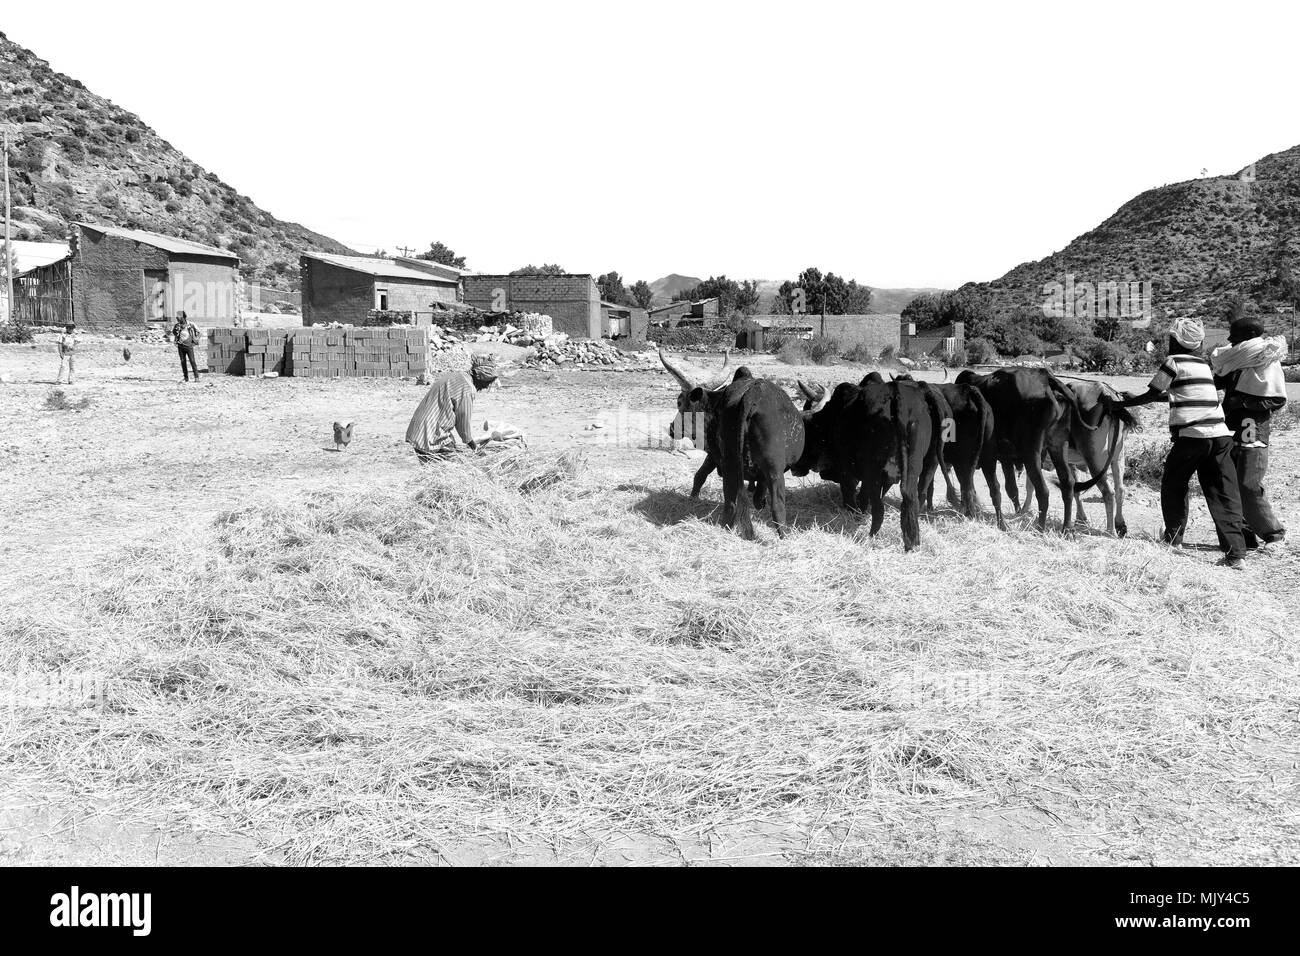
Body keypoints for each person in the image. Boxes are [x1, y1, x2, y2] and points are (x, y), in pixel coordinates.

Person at [1113, 316, 1250, 569]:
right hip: (1220, 436)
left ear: (1174, 341)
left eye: (1169, 338)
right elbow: (1183, 394)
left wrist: (1121, 404)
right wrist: (1147, 399)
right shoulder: (1203, 365)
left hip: (1192, 437)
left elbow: (1155, 391)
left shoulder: (1173, 362)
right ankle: (1236, 554)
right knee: (1223, 492)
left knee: (1174, 485)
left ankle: (1174, 539)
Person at [1210, 315, 1288, 548]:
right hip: (1229, 428)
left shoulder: (1268, 362)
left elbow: (1275, 399)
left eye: (1236, 335)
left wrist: (1243, 403)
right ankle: (1244, 536)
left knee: (1248, 483)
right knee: (1230, 483)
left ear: (1251, 336)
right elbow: (1216, 383)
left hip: (1253, 431)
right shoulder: (1235, 361)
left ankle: (1273, 533)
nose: (1230, 339)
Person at [405, 355, 499, 461]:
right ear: (479, 377)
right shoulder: (467, 388)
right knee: (459, 470)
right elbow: (463, 423)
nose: (486, 387)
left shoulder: (456, 376)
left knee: (435, 471)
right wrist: (475, 448)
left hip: (417, 431)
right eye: (487, 383)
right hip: (431, 436)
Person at [172, 311, 201, 382]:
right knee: (183, 361)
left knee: (192, 361)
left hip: (189, 346)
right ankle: (186, 377)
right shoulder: (177, 326)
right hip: (180, 346)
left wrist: (196, 339)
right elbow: (174, 333)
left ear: (183, 317)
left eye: (178, 316)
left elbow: (199, 332)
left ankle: (196, 377)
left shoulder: (191, 325)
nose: (176, 317)